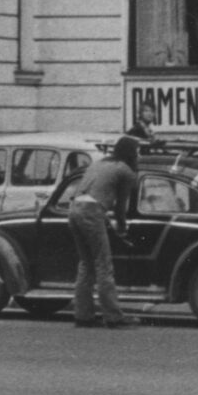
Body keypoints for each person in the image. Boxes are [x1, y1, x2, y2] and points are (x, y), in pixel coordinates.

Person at [69, 134, 143, 328]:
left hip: (74, 209)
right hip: (92, 211)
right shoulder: (125, 171)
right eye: (137, 151)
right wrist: (123, 228)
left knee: (86, 263)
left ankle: (82, 315)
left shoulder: (99, 163)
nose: (139, 155)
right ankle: (113, 316)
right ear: (130, 153)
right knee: (104, 264)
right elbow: (120, 207)